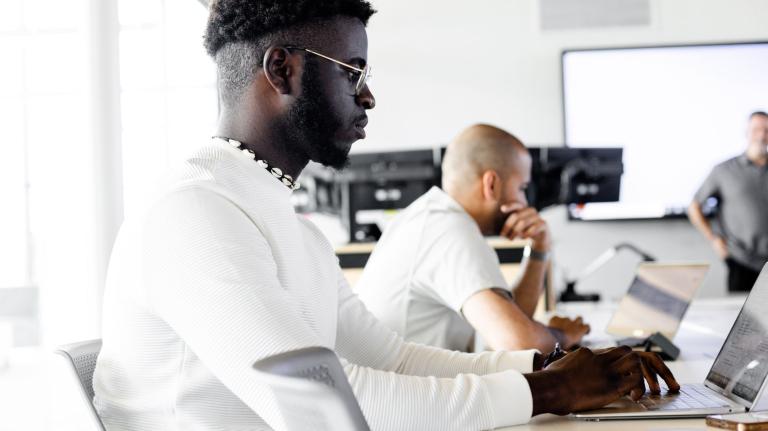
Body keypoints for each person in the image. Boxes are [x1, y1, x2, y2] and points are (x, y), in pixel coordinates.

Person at [92, 1, 678, 430]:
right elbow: (321, 406)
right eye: (353, 72)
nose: (368, 96)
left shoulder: (289, 225)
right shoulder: (194, 212)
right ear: (283, 71)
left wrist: (548, 364)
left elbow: (390, 358)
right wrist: (548, 391)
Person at [356, 124, 589, 354]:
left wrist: (539, 248)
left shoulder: (428, 218)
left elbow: (513, 318)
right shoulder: (449, 230)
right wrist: (564, 335)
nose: (525, 203)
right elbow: (518, 343)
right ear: (492, 184)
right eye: (521, 188)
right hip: (408, 389)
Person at [688, 111, 768, 292]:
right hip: (742, 261)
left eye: (766, 130)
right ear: (747, 132)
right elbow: (695, 206)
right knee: (743, 318)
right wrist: (714, 239)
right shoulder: (723, 171)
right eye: (756, 130)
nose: (762, 135)